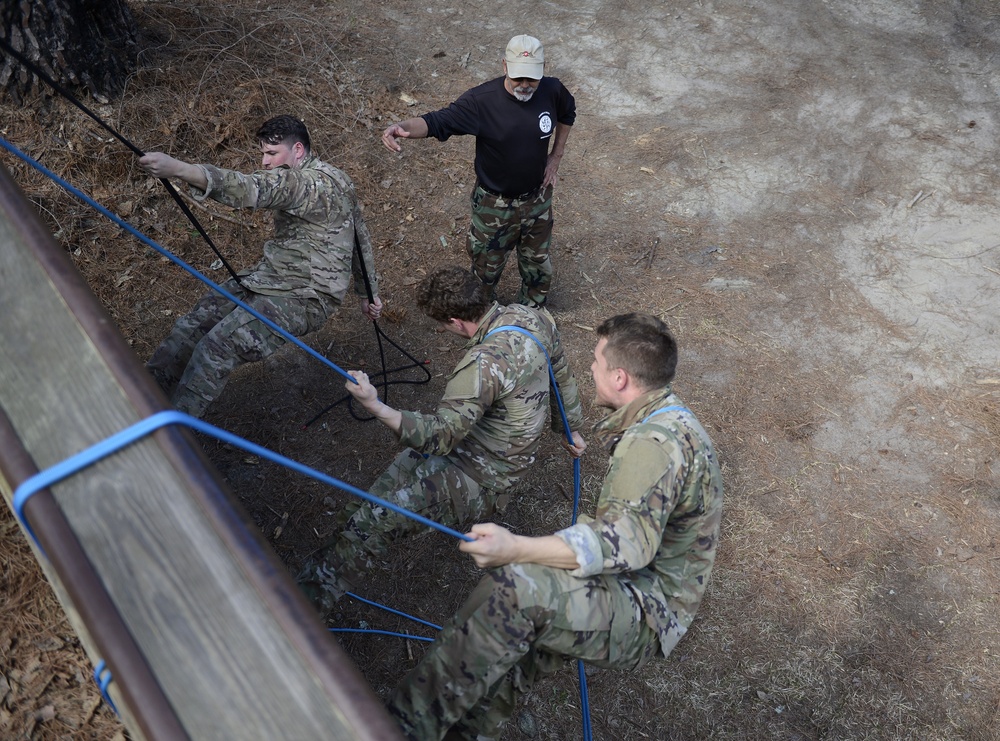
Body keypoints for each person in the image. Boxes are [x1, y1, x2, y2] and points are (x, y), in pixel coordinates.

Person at [387, 313, 724, 741]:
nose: (590, 369)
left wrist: (517, 548)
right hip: (643, 588)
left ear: (620, 378)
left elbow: (626, 545)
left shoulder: (653, 443)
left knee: (516, 590)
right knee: (516, 637)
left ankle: (396, 727)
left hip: (646, 609)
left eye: (597, 362)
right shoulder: (672, 420)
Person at [297, 265, 585, 614]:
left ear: (455, 321)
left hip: (484, 477)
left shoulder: (483, 366)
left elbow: (440, 437)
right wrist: (570, 428)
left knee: (377, 521)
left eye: (441, 325)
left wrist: (375, 405)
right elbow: (561, 372)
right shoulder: (533, 317)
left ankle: (302, 608)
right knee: (369, 501)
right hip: (475, 448)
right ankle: (331, 557)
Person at [138, 114, 382, 417]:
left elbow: (248, 188)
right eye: (263, 153)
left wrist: (177, 169)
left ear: (298, 151)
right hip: (268, 280)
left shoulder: (305, 183)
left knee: (217, 347)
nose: (265, 161)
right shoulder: (338, 178)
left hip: (306, 296)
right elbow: (359, 237)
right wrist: (368, 293)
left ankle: (170, 437)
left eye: (271, 153)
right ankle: (139, 401)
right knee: (191, 328)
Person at [381, 35, 575, 307]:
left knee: (538, 265)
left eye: (531, 78)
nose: (525, 85)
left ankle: (532, 314)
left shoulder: (552, 90)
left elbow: (568, 113)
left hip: (538, 199)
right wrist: (401, 127)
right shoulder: (481, 102)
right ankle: (484, 318)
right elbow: (437, 121)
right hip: (494, 205)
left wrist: (556, 156)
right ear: (505, 66)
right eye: (518, 77)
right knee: (486, 269)